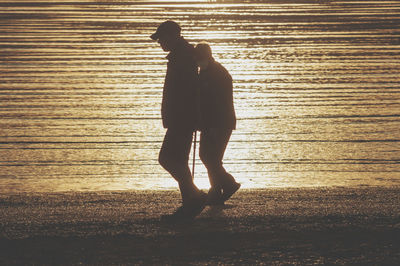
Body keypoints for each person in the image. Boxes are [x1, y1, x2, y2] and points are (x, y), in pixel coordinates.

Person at [150, 21, 207, 221]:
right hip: (182, 117)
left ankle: (194, 196)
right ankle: (190, 201)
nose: (160, 43)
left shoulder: (182, 57)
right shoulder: (182, 55)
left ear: (173, 36)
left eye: (162, 39)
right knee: (178, 160)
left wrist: (188, 116)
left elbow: (187, 91)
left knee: (168, 159)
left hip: (181, 118)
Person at [194, 43, 241, 205]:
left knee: (210, 157)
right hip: (211, 123)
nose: (198, 62)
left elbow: (220, 103)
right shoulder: (206, 72)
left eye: (200, 58)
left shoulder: (217, 75)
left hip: (220, 123)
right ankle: (216, 191)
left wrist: (214, 126)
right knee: (209, 157)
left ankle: (228, 184)